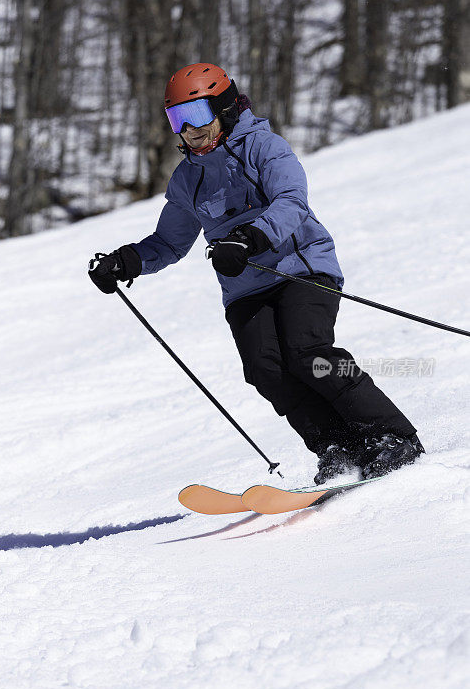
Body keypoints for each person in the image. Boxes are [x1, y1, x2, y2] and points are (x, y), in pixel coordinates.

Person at [89, 62, 424, 483]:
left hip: (299, 268)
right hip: (245, 287)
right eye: (178, 120)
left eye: (196, 116)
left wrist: (250, 239)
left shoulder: (264, 148)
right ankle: (338, 447)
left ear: (224, 108)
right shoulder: (186, 179)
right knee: (265, 369)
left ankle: (392, 436)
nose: (189, 131)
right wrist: (127, 261)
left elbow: (291, 200)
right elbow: (170, 243)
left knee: (310, 354)